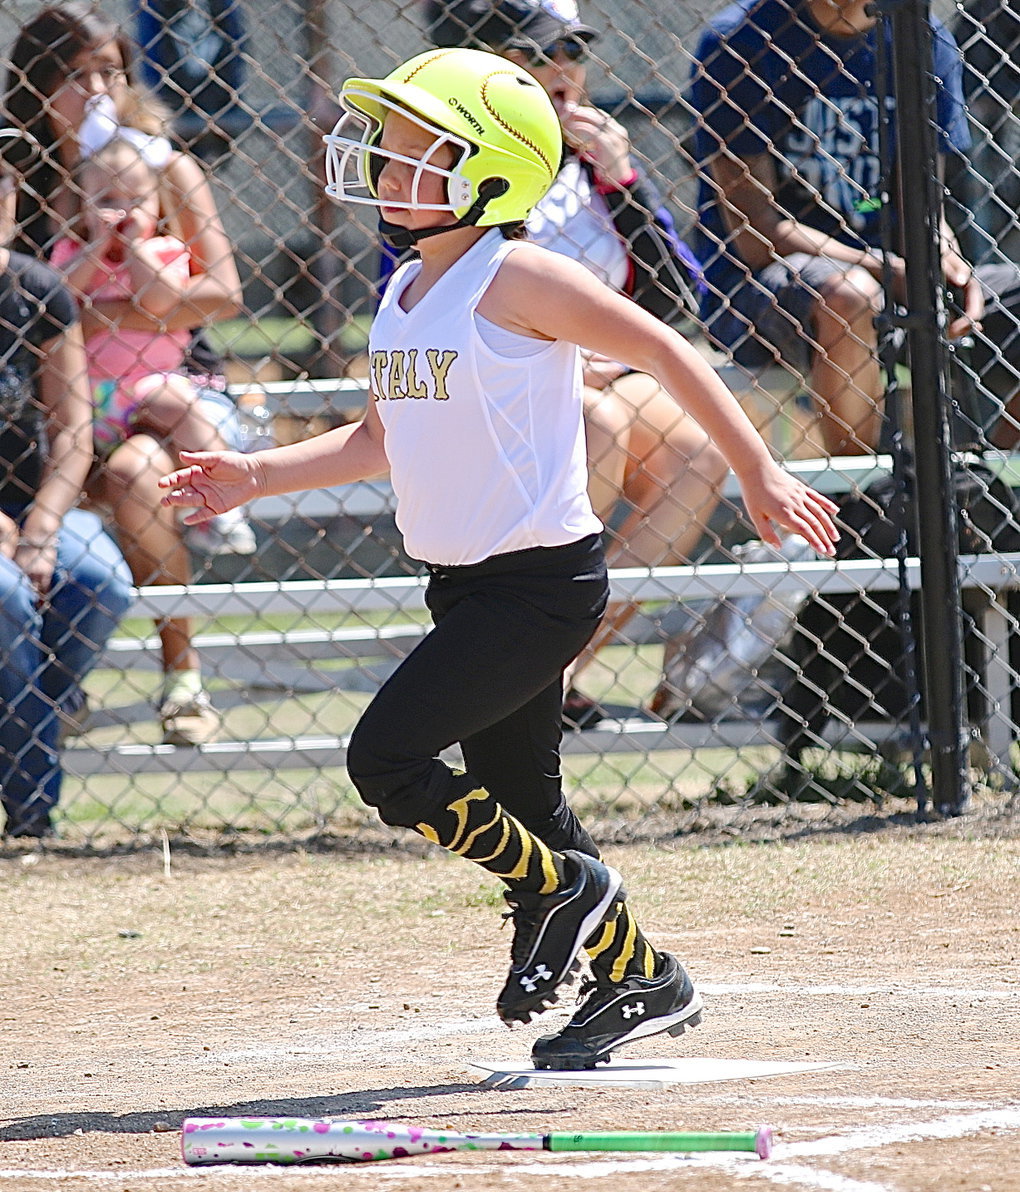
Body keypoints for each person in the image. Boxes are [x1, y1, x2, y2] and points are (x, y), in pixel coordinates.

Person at [160, 49, 838, 1066]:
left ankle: (565, 890)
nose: (387, 168)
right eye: (387, 150)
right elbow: (377, 443)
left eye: (416, 152)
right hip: (465, 587)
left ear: (490, 173)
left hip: (538, 591)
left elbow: (667, 349)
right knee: (526, 806)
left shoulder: (516, 273)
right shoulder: (401, 292)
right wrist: (252, 476)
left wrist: (755, 472)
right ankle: (644, 977)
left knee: (384, 759)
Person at [423, 0, 730, 727]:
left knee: (699, 456)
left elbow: (681, 298)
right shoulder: (460, 169)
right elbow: (420, 298)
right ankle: (526, 659)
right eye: (538, 55)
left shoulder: (597, 168)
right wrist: (552, 356)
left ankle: (551, 670)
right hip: (499, 376)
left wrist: (622, 181)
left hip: (609, 372)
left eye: (572, 52)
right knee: (597, 421)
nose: (562, 70)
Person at [2, 2, 246, 745]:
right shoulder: (22, 180)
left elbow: (223, 296)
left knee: (144, 471)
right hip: (50, 408)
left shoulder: (163, 167)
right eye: (77, 76)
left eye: (111, 70)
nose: (98, 90)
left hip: (163, 393)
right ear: (38, 87)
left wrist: (96, 318)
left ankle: (181, 676)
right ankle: (49, 692)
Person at [688, 0, 1020, 458]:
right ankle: (858, 505)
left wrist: (945, 259)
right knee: (850, 296)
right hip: (760, 288)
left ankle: (991, 483)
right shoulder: (740, 40)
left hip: (892, 273)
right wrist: (887, 270)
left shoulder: (921, 35)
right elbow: (758, 233)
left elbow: (922, 208)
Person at [0, 132, 133, 840]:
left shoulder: (36, 287)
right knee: (6, 599)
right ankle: (30, 809)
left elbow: (75, 432)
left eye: (3, 181)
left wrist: (43, 529)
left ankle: (30, 714)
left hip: (34, 506)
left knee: (102, 580)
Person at [50, 136, 257, 550]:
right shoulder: (71, 250)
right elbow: (59, 297)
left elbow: (159, 302)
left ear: (158, 205)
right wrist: (95, 247)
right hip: (89, 393)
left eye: (136, 199)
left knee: (178, 404)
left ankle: (224, 500)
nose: (122, 210)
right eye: (106, 198)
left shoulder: (163, 251)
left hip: (152, 380)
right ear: (82, 203)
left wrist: (133, 249)